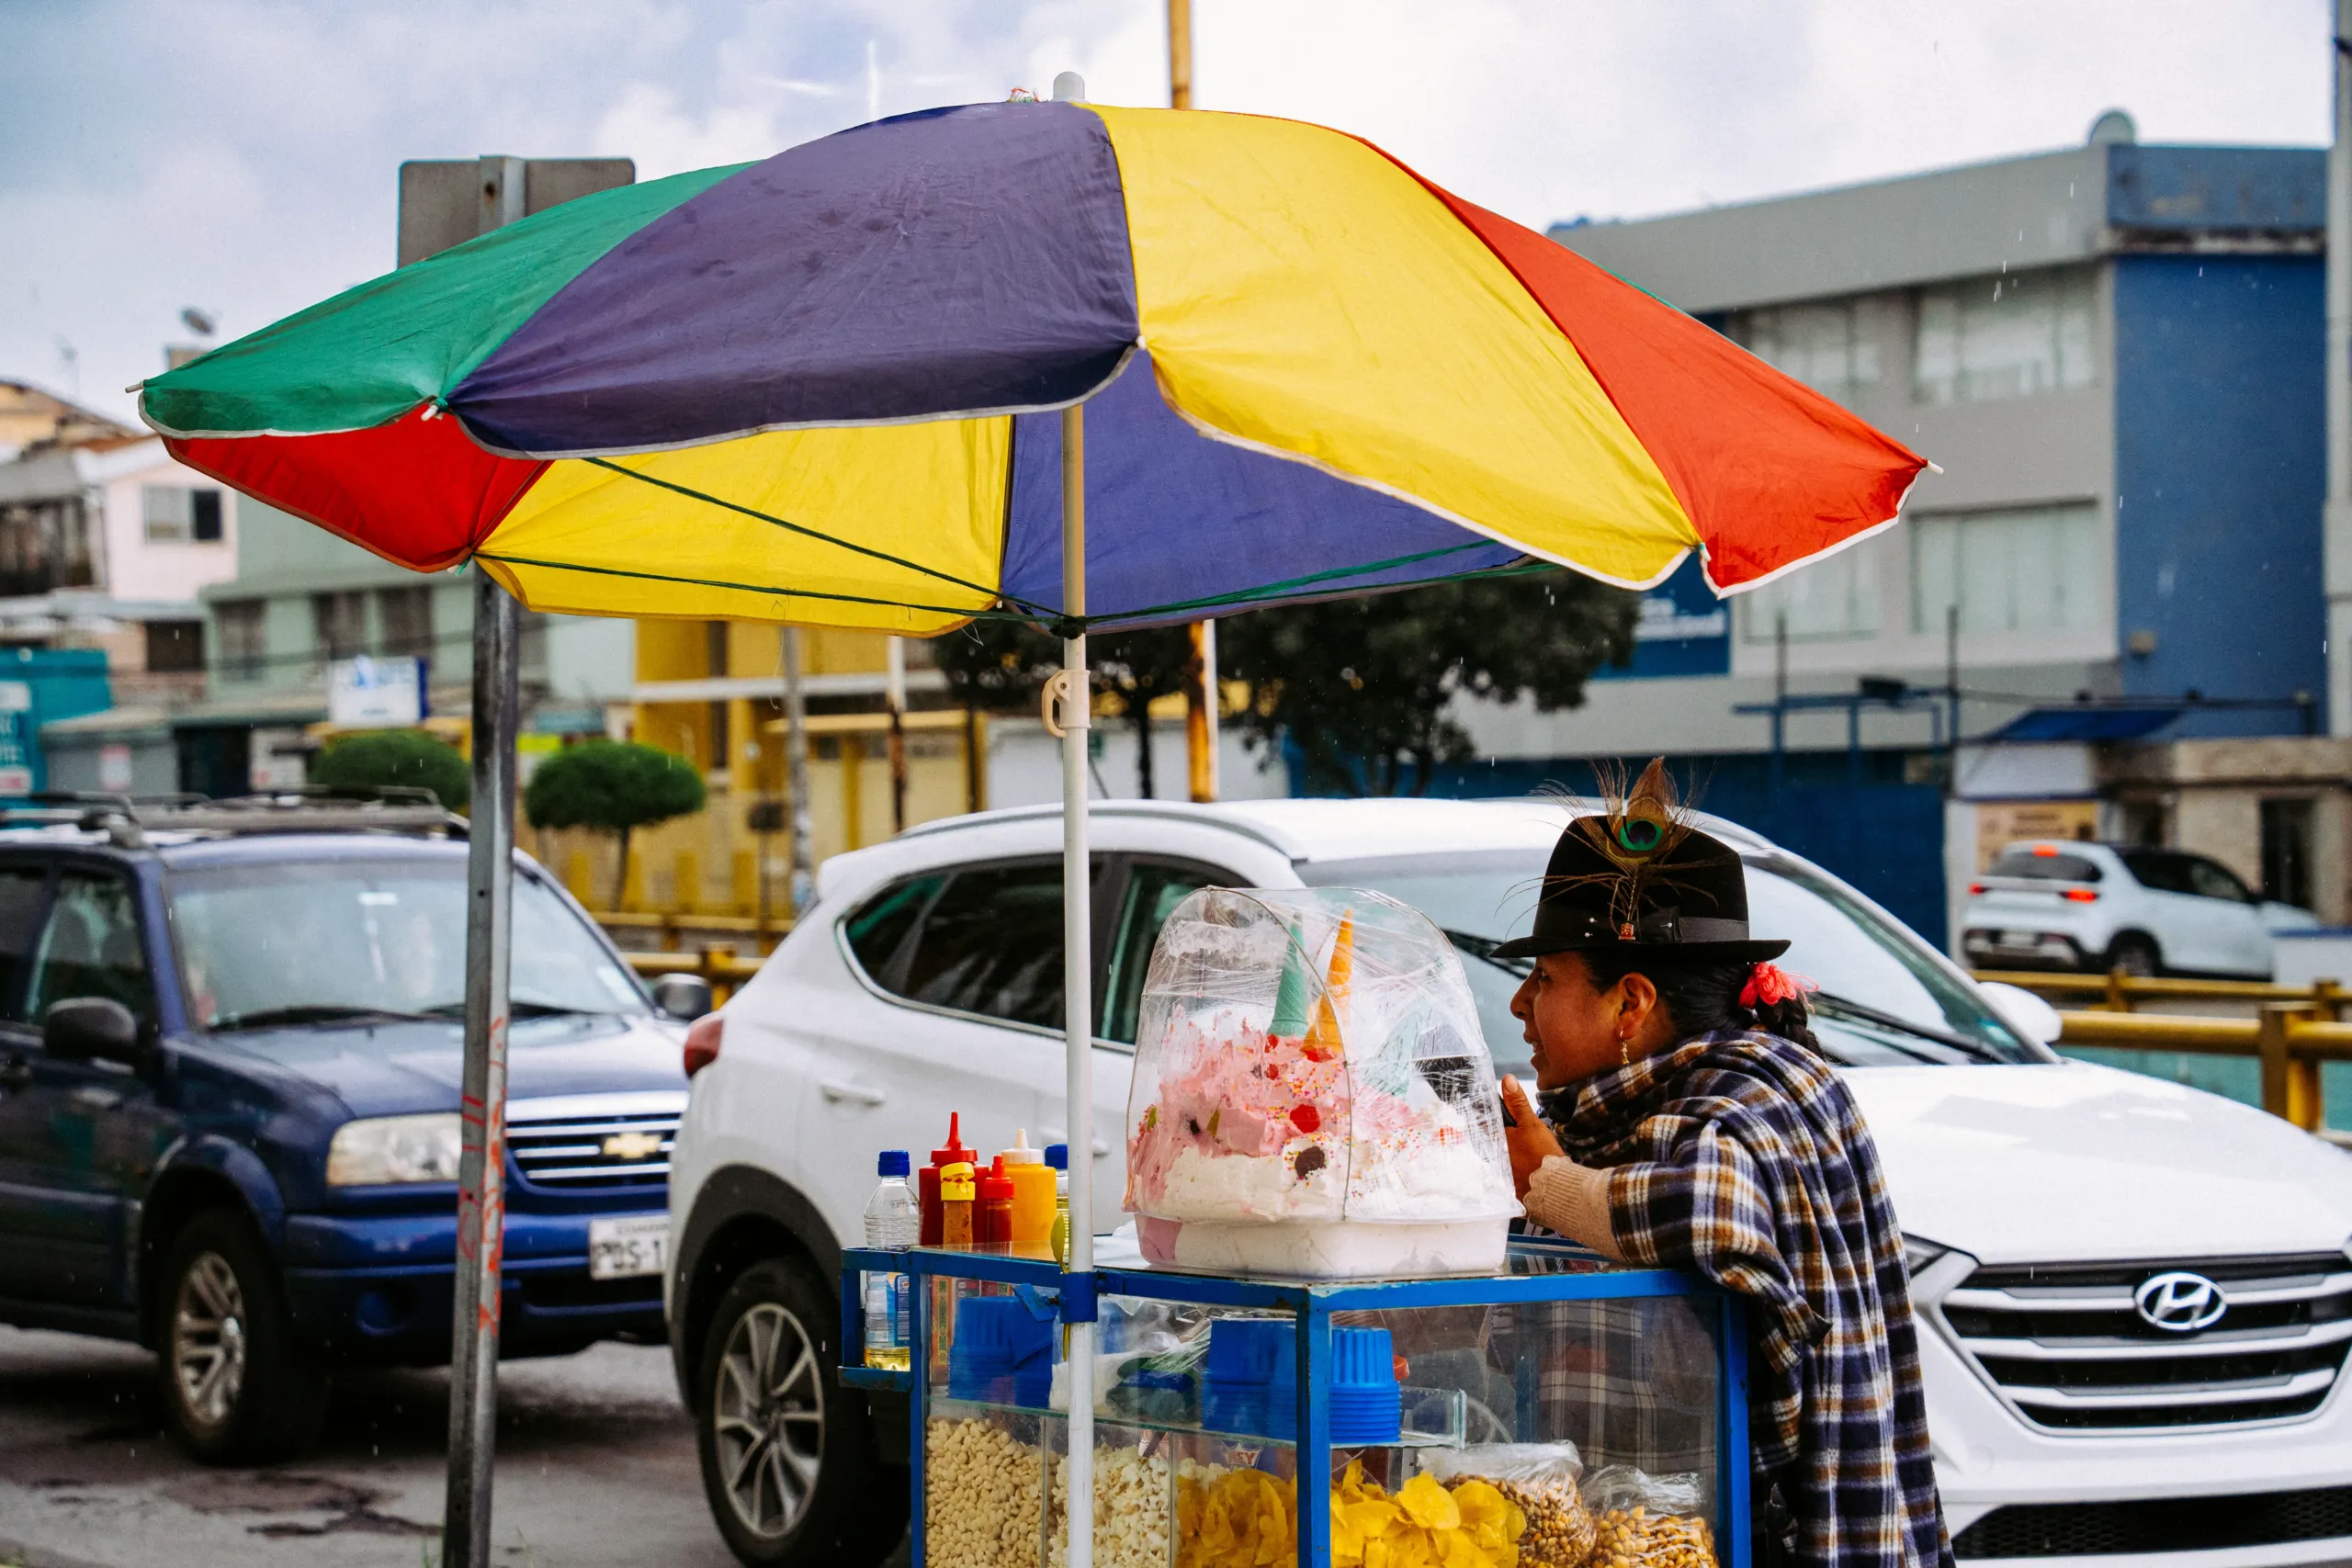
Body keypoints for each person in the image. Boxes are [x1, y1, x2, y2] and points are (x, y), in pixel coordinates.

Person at [1496, 763, 1951, 1568]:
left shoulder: (1757, 1093)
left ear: (1630, 1002)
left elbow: (1710, 1212)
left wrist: (1545, 1178)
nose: (1520, 1003)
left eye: (1547, 977)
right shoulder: (1613, 1114)